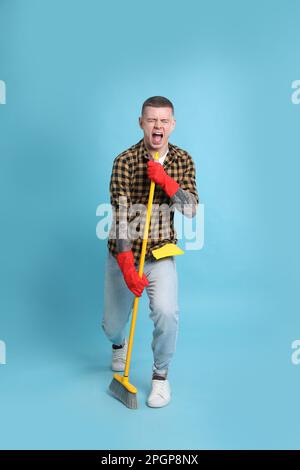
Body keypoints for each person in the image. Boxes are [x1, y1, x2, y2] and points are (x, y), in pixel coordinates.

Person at [102, 96, 199, 407]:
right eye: (152, 119)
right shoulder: (125, 161)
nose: (158, 125)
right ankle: (118, 344)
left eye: (164, 120)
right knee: (113, 324)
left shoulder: (182, 160)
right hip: (125, 253)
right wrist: (128, 265)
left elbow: (191, 211)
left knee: (167, 314)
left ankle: (160, 376)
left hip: (160, 251)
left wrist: (168, 183)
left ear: (171, 125)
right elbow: (119, 216)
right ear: (141, 122)